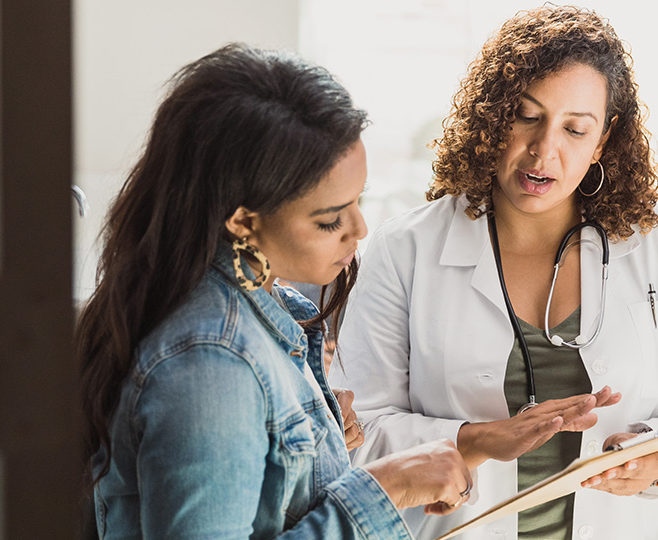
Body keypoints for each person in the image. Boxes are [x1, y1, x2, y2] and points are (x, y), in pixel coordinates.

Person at [330, 5, 658, 540]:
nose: (544, 150)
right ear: (495, 115)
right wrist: (477, 439)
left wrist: (654, 458)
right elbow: (357, 433)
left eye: (574, 128)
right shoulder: (405, 249)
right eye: (527, 115)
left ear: (604, 139)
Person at [76, 43, 489, 539]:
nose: (359, 229)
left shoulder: (258, 310)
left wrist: (322, 443)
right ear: (243, 222)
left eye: (358, 200)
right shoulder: (211, 362)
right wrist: (385, 489)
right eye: (330, 218)